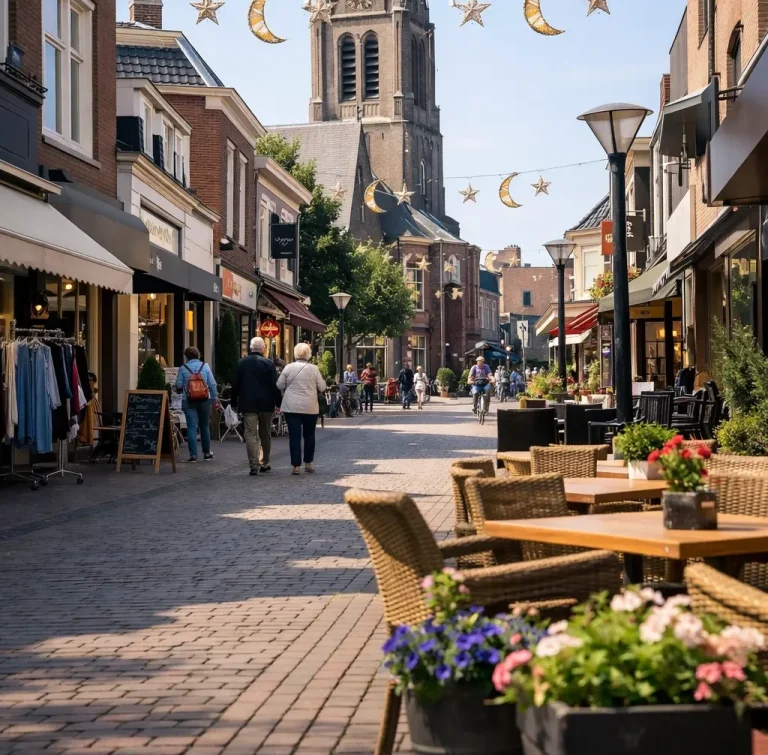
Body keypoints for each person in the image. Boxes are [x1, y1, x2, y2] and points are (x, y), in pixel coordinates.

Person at [231, 336, 281, 477]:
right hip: (266, 404)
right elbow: (274, 386)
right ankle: (264, 462)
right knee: (265, 433)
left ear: (250, 348)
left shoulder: (241, 363)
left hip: (248, 404)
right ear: (263, 348)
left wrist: (233, 402)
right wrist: (278, 403)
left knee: (250, 434)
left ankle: (253, 465)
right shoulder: (269, 363)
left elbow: (235, 385)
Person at [277, 343, 327, 475]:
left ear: (295, 353)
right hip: (310, 406)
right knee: (309, 435)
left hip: (291, 406)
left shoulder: (288, 367)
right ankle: (308, 463)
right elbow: (322, 387)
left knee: (294, 436)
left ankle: (296, 466)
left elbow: (279, 385)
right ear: (308, 354)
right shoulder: (314, 368)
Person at [175, 347, 218, 463]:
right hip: (205, 399)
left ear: (186, 356)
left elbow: (178, 385)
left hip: (189, 400)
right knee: (204, 426)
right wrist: (215, 399)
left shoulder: (183, 368)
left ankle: (193, 455)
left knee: (191, 427)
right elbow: (212, 384)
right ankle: (207, 453)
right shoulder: (205, 366)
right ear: (198, 355)